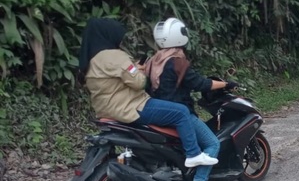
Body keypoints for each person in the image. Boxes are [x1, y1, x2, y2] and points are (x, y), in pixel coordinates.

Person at [78, 18, 218, 171]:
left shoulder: (92, 60)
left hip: (106, 110)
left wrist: (133, 69)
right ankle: (193, 154)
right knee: (181, 111)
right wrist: (141, 72)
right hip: (131, 107)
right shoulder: (115, 56)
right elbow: (139, 83)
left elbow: (114, 80)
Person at [145, 17, 239, 181]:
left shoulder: (153, 61)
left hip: (157, 112)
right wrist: (226, 84)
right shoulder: (177, 62)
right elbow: (200, 84)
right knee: (212, 143)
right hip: (180, 114)